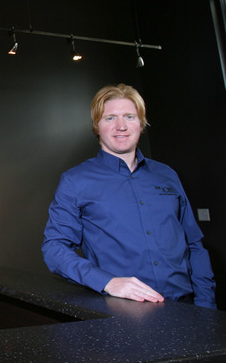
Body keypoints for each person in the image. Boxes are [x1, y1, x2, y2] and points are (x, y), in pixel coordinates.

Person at [42, 83, 216, 309]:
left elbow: (194, 245)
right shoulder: (75, 180)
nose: (121, 126)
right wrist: (107, 282)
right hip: (123, 313)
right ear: (97, 126)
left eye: (129, 117)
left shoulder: (167, 175)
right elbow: (54, 249)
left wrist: (206, 305)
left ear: (141, 123)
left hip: (186, 308)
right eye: (110, 118)